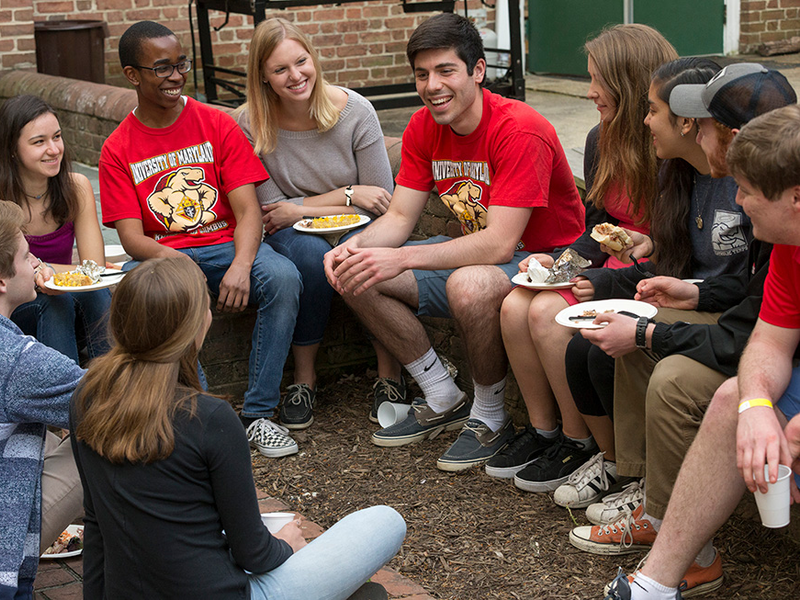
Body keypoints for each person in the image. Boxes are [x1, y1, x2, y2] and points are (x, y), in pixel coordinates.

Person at [324, 12, 585, 471]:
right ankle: (442, 393)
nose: (432, 85)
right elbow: (402, 215)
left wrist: (401, 258)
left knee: (469, 283)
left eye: (446, 71)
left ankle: (490, 415)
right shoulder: (425, 127)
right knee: (355, 269)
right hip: (481, 257)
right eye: (422, 74)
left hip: (548, 264)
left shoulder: (518, 129)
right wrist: (355, 248)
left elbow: (501, 244)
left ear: (477, 71)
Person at [69, 256, 406, 599]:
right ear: (195, 326)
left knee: (369, 593)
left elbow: (95, 522)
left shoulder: (87, 397)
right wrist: (286, 545)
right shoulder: (210, 417)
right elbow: (253, 553)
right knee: (385, 522)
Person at [603, 103, 800, 600]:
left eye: (748, 192)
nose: (738, 201)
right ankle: (655, 583)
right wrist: (756, 407)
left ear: (796, 198)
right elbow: (770, 341)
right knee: (732, 398)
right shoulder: (789, 246)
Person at [554, 57, 751, 510]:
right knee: (589, 343)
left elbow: (749, 294)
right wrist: (614, 277)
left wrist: (647, 317)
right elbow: (676, 263)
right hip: (711, 303)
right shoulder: (679, 174)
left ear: (689, 122)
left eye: (652, 110)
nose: (645, 122)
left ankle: (648, 490)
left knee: (642, 354)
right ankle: (625, 468)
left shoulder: (745, 184)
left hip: (735, 318)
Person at [98, 21, 302, 458]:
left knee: (283, 276)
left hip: (226, 244)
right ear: (133, 75)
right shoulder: (118, 148)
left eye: (181, 64)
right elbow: (132, 238)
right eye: (162, 68)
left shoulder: (216, 123)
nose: (175, 76)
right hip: (161, 255)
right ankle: (204, 417)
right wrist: (182, 269)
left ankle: (258, 416)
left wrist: (242, 266)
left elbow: (248, 210)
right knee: (141, 293)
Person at [491, 25, 677, 490]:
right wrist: (560, 266)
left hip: (650, 277)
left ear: (630, 83)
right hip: (605, 270)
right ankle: (548, 433)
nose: (590, 91)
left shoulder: (670, 149)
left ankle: (587, 446)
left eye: (599, 80)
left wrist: (589, 279)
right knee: (517, 303)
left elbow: (674, 250)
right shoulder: (601, 139)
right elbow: (595, 229)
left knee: (545, 315)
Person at [236, 18, 395, 430]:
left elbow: (379, 196)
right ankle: (304, 380)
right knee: (308, 257)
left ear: (313, 58)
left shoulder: (356, 111)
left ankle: (389, 374)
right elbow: (273, 210)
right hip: (293, 233)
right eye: (280, 70)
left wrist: (315, 205)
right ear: (263, 77)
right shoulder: (249, 123)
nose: (295, 76)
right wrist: (346, 193)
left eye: (301, 61)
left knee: (367, 253)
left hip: (358, 223)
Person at [0, 201, 85, 600]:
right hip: (4, 537)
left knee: (42, 430)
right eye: (25, 255)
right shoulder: (16, 360)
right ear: (2, 280)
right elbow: (118, 399)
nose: (35, 260)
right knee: (104, 434)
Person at [0, 94, 111, 363]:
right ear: (13, 149)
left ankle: (115, 386)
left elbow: (94, 269)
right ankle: (63, 397)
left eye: (57, 137)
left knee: (97, 291)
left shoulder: (76, 187)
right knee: (55, 301)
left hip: (67, 303)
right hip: (17, 311)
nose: (53, 149)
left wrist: (46, 271)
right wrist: (41, 272)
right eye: (39, 142)